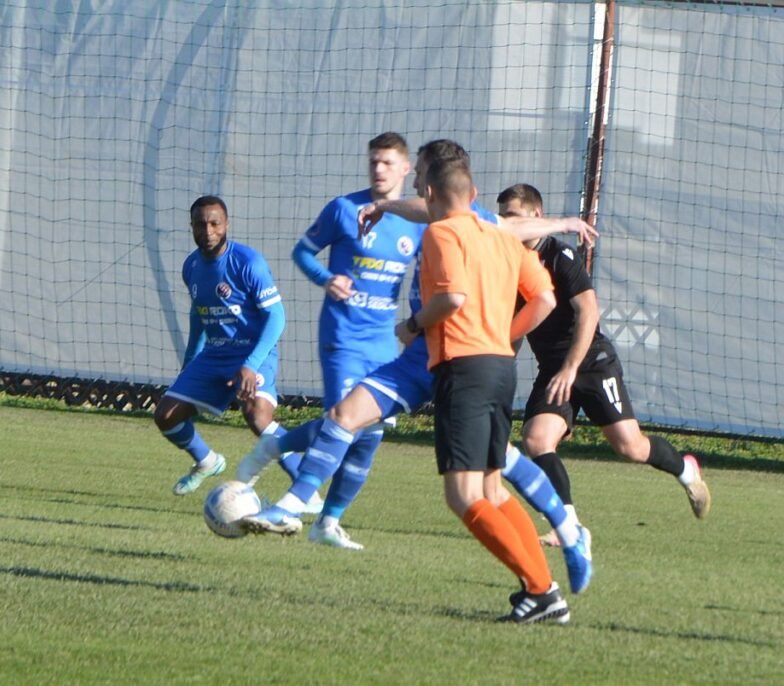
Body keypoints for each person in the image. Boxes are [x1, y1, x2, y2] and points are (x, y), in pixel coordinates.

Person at [241, 141, 592, 598]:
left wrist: (439, 328)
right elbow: (533, 285)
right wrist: (384, 206)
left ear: (431, 184)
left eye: (418, 176)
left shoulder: (472, 226)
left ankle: (563, 541)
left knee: (491, 476)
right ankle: (293, 505)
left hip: (457, 358)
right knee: (346, 416)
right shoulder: (451, 218)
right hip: (430, 358)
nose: (415, 187)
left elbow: (500, 277)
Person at [497, 183, 711, 543]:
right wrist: (500, 368)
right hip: (555, 370)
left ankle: (686, 470)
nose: (508, 224)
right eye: (503, 217)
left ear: (536, 215)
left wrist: (571, 367)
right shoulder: (507, 262)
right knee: (536, 440)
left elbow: (589, 311)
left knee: (630, 447)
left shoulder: (561, 256)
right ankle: (568, 526)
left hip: (593, 364)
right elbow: (516, 325)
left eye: (513, 216)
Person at [236, 132, 426, 523]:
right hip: (343, 337)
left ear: (406, 169)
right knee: (343, 421)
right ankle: (292, 502)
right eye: (373, 161)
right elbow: (302, 253)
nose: (378, 169)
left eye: (387, 162)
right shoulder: (343, 209)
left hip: (383, 344)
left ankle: (325, 519)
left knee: (369, 434)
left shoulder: (416, 221)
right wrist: (326, 279)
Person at [414, 153, 569, 624]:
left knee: (463, 495)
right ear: (476, 196)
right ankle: (542, 590)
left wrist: (412, 325)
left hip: (465, 368)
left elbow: (452, 296)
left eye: (419, 181)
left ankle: (542, 591)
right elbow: (545, 298)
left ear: (429, 192)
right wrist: (503, 335)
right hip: (501, 367)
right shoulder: (502, 236)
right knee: (492, 489)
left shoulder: (441, 233)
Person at [153, 195, 286, 496]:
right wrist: (190, 362)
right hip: (215, 354)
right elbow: (199, 315)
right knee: (166, 415)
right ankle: (207, 461)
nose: (208, 231)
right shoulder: (191, 266)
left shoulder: (248, 262)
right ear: (191, 226)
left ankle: (307, 487)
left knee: (257, 416)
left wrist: (250, 365)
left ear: (226, 224)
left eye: (215, 224)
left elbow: (276, 316)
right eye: (201, 224)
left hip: (252, 351)